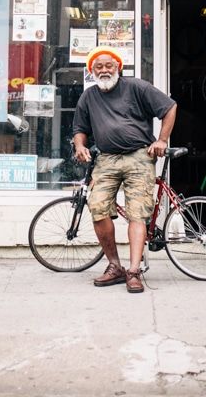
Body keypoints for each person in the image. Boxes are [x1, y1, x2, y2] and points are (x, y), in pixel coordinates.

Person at [72, 46, 177, 294]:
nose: (104, 70)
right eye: (99, 67)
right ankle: (115, 266)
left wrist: (162, 140)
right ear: (91, 71)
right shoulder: (88, 97)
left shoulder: (136, 87)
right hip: (106, 160)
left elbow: (170, 107)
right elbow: (80, 128)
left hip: (139, 156)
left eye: (109, 65)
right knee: (97, 206)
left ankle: (134, 271)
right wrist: (79, 146)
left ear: (118, 67)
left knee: (137, 212)